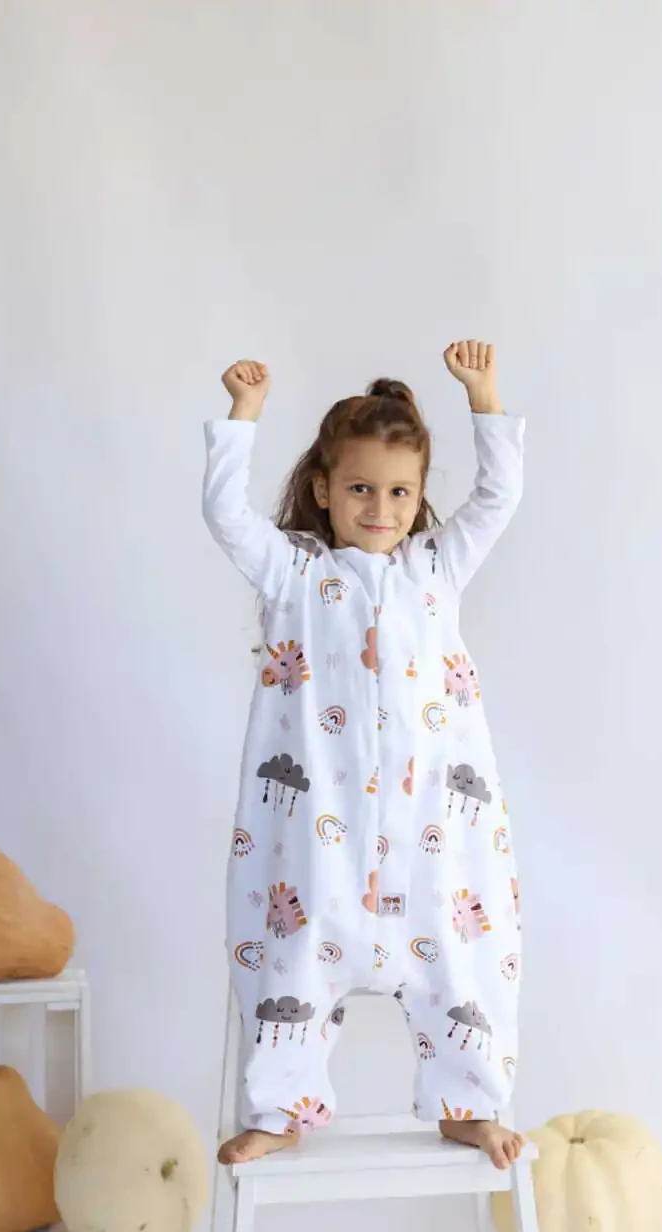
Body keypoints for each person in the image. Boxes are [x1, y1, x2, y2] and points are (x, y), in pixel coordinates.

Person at [203, 341, 526, 1169]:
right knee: (290, 959)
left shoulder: (435, 567)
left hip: (429, 834)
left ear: (417, 496)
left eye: (398, 491)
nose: (379, 507)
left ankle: (468, 1103)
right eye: (358, 488)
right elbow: (226, 515)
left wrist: (483, 396)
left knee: (460, 961)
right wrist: (243, 415)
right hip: (320, 831)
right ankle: (280, 1108)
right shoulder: (293, 573)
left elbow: (497, 496)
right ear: (323, 489)